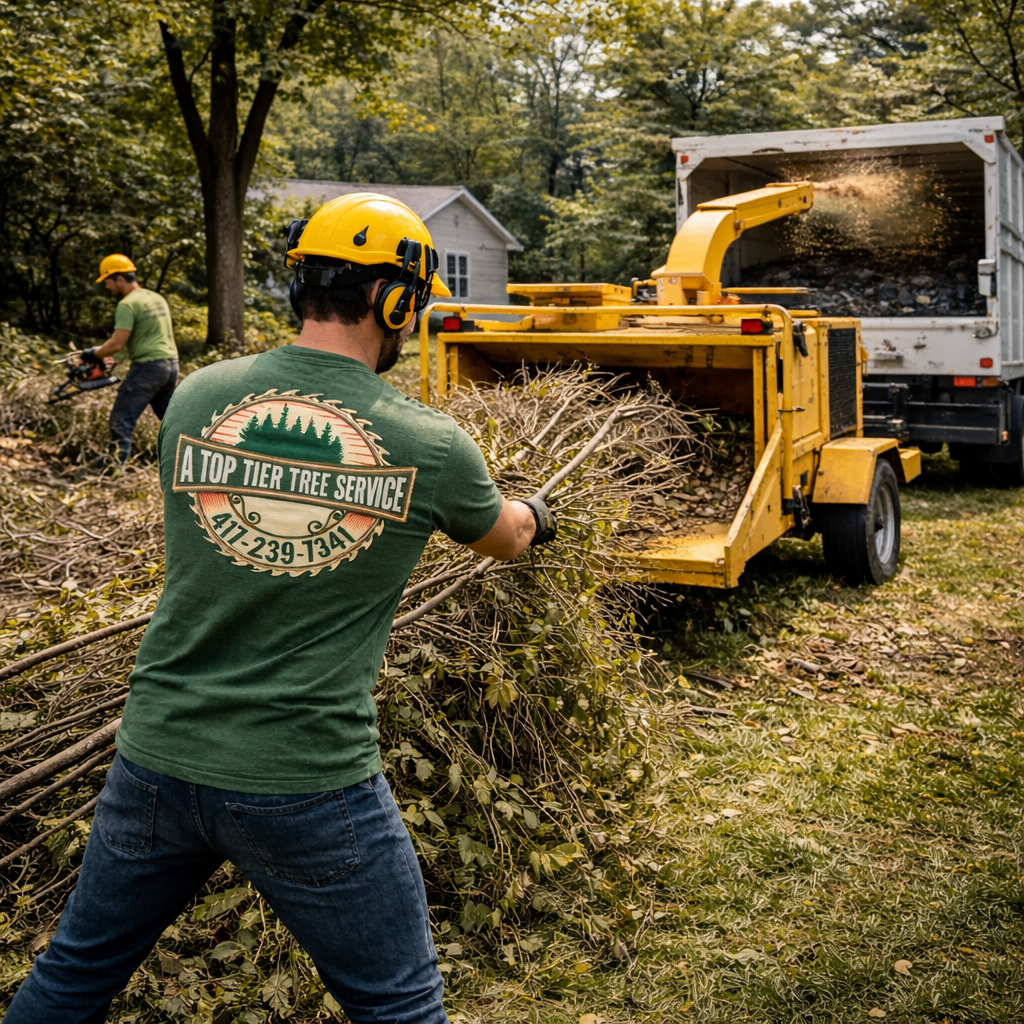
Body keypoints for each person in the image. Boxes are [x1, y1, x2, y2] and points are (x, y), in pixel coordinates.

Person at [4, 194, 557, 1024]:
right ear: (398, 301)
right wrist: (539, 513)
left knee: (74, 975)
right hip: (306, 779)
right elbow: (506, 538)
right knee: (398, 1007)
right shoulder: (429, 444)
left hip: (155, 755)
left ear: (298, 285)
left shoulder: (196, 400)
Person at [83, 254, 179, 468]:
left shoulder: (127, 304)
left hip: (149, 367)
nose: (106, 286)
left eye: (106, 280)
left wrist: (92, 354)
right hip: (170, 366)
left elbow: (117, 343)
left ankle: (112, 468)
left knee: (121, 418)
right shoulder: (155, 298)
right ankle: (191, 458)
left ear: (118, 278)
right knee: (172, 419)